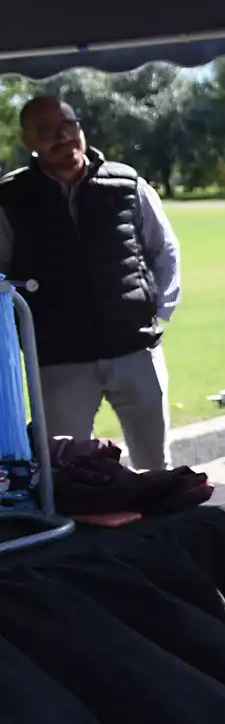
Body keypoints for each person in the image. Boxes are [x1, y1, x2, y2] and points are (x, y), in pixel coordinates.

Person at [0, 96, 181, 470]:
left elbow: (162, 249)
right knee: (67, 471)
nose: (62, 137)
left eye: (68, 125)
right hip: (57, 358)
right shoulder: (10, 196)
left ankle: (161, 524)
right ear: (27, 140)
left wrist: (158, 311)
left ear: (80, 128)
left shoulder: (127, 182)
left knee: (155, 466)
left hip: (135, 350)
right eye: (46, 131)